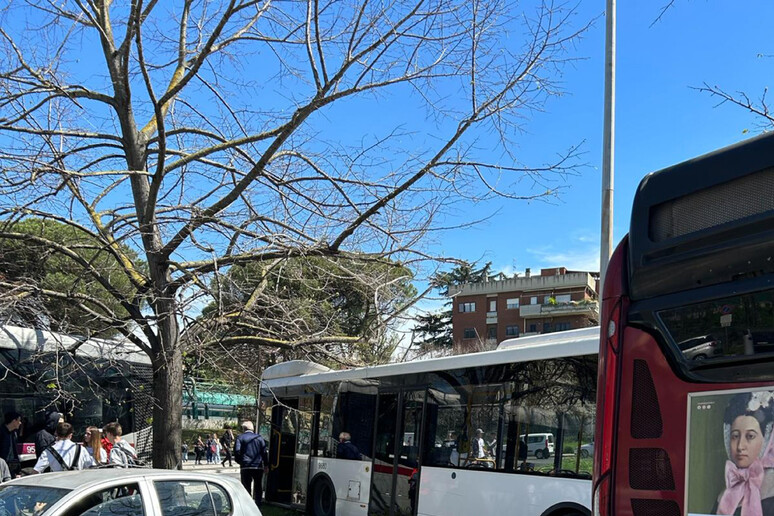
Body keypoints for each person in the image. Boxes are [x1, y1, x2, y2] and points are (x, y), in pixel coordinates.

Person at [714, 391, 774, 516]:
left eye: (750, 436)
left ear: (767, 440)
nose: (740, 446)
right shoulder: (725, 495)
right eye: (735, 436)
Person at [235, 421, 269, 507]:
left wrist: (240, 461)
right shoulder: (259, 438)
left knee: (246, 486)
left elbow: (237, 451)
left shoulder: (240, 437)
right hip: (257, 466)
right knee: (258, 486)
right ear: (252, 428)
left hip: (245, 466)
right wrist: (265, 465)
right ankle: (258, 504)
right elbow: (264, 452)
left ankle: (247, 505)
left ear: (244, 428)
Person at [0, 411, 22, 477]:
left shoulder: (13, 434)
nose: (20, 423)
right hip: (2, 467)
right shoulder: (1, 433)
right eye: (19, 420)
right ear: (14, 421)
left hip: (12, 467)